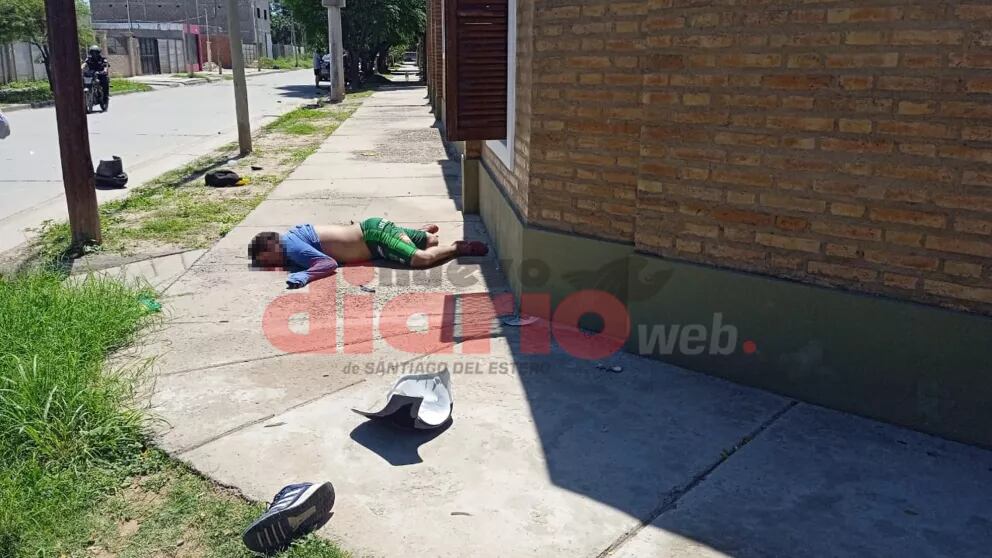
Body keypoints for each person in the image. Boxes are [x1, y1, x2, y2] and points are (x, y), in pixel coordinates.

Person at [248, 219, 489, 289]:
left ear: (271, 247)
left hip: (373, 238)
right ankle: (421, 233)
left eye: (264, 260)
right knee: (431, 241)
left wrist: (304, 276)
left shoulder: (291, 246)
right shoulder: (292, 239)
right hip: (374, 230)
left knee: (421, 259)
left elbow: (327, 263)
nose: (268, 265)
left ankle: (458, 247)